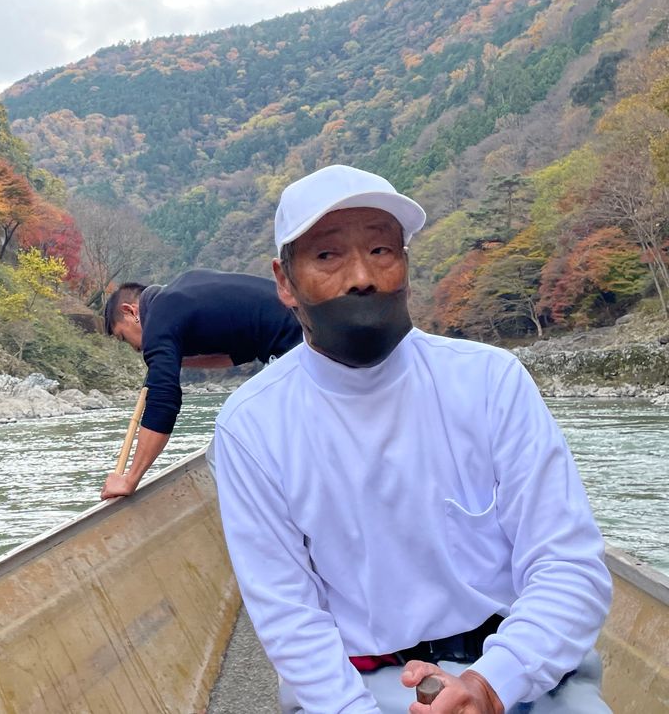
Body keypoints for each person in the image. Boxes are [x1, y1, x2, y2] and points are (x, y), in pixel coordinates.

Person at [211, 164, 612, 714]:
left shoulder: (490, 381)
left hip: (521, 669)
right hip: (361, 686)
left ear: (404, 263)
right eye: (327, 255)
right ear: (285, 281)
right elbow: (288, 614)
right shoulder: (252, 425)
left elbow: (570, 566)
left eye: (381, 250)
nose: (362, 277)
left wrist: (490, 685)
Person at [101, 269, 302, 499]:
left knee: (224, 456)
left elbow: (163, 403)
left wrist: (129, 479)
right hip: (309, 336)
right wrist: (176, 359)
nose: (136, 349)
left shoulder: (157, 319)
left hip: (296, 349)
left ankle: (266, 520)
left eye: (124, 337)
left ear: (130, 311)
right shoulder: (178, 298)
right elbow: (240, 354)